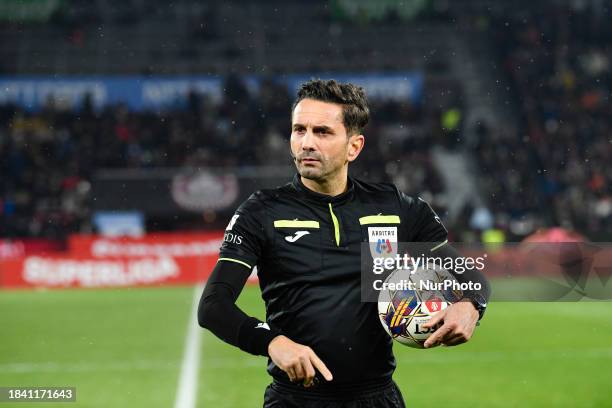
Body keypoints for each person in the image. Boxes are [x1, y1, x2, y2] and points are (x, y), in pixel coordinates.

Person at [198, 79, 490, 407]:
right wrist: (272, 341)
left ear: (354, 146)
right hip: (295, 400)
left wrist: (470, 306)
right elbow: (213, 306)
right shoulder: (263, 211)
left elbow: (469, 276)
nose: (306, 143)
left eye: (322, 132)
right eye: (299, 130)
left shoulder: (395, 208)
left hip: (377, 399)